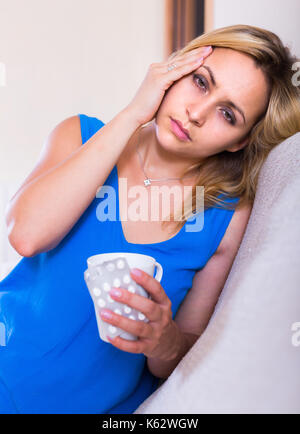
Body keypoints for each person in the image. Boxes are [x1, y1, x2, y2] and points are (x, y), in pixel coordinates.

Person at [0, 24, 299, 414]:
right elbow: (26, 235)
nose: (196, 113)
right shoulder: (79, 134)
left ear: (238, 141)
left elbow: (182, 352)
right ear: (175, 71)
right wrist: (132, 115)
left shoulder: (225, 218)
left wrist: (166, 340)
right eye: (201, 82)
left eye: (227, 114)